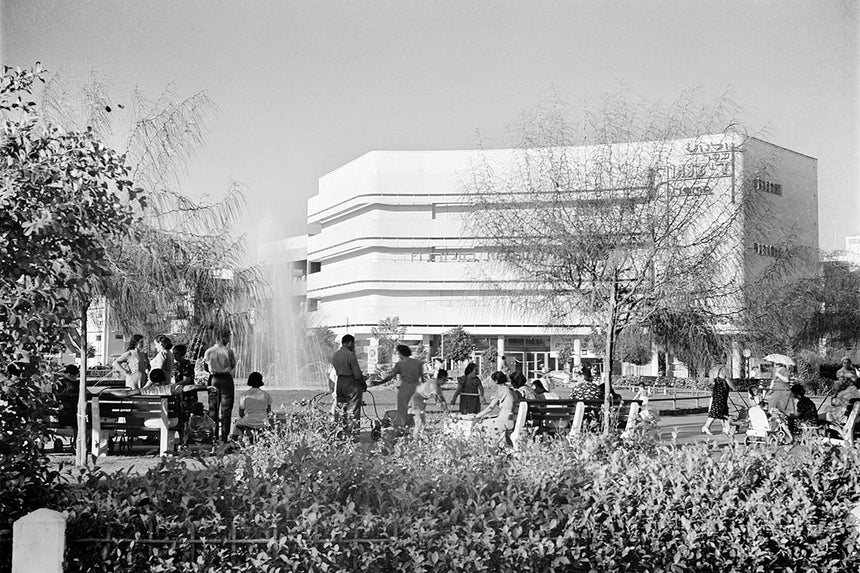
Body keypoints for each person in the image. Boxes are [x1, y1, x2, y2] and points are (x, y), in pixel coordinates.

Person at [375, 344, 423, 429]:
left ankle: (401, 425)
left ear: (400, 353)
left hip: (405, 387)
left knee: (402, 408)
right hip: (417, 387)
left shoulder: (400, 364)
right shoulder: (418, 363)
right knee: (415, 408)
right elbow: (421, 377)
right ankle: (413, 424)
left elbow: (390, 376)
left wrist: (379, 382)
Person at [204, 330, 237, 442]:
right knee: (226, 409)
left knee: (213, 408)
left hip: (214, 379)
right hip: (226, 379)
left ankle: (213, 436)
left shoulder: (209, 351)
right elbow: (232, 365)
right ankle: (224, 437)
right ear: (223, 339)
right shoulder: (228, 351)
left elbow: (205, 366)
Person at [474, 371, 519, 446]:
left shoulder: (501, 389)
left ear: (496, 381)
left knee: (479, 425)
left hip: (504, 422)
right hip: (512, 420)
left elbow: (490, 408)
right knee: (488, 420)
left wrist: (477, 416)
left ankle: (487, 446)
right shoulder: (511, 390)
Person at [331, 334, 366, 422]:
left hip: (340, 382)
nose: (354, 346)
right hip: (350, 383)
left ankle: (339, 431)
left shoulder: (336, 355)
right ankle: (352, 432)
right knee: (353, 410)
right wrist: (363, 384)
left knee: (340, 409)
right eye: (353, 344)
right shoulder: (350, 355)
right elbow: (357, 374)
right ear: (350, 343)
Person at [232, 371, 272, 440]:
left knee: (237, 423)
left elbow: (241, 414)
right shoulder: (266, 395)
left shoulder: (244, 395)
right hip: (262, 423)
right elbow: (269, 412)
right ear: (260, 381)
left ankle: (235, 441)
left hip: (248, 423)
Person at [410, 369, 449, 438]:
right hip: (416, 397)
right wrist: (444, 410)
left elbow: (442, 400)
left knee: (423, 421)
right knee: (419, 421)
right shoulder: (434, 385)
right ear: (439, 378)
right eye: (444, 380)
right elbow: (437, 400)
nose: (444, 382)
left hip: (422, 400)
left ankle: (420, 437)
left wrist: (446, 409)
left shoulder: (438, 387)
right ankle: (415, 438)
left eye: (446, 380)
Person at [702, 368, 735, 435]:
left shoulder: (717, 379)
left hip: (720, 397)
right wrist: (726, 378)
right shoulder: (722, 379)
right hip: (720, 398)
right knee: (716, 413)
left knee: (723, 413)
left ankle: (726, 428)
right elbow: (732, 386)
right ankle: (706, 426)